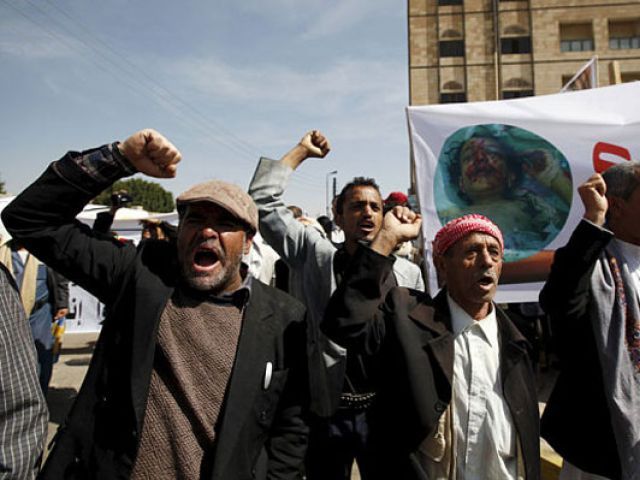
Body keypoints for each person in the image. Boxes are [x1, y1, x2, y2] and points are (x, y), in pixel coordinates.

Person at [2, 129, 312, 479]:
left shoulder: (283, 316)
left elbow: (291, 425)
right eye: (196, 218)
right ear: (180, 231)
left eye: (224, 222)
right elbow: (29, 220)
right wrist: (118, 159)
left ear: (247, 241)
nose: (208, 231)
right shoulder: (140, 275)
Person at [248, 130, 424, 480]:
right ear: (338, 216)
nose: (368, 213)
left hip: (385, 416)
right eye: (356, 206)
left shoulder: (408, 274)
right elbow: (263, 202)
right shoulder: (317, 256)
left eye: (376, 206)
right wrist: (301, 152)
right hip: (325, 412)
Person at [323, 212, 540, 479]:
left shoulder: (517, 342)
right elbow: (343, 323)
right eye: (472, 251)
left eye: (494, 252)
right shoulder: (407, 318)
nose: (487, 261)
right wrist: (386, 239)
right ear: (442, 265)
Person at [540, 168, 640, 480]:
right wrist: (593, 219)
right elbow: (560, 302)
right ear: (618, 206)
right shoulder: (588, 261)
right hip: (602, 447)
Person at [438, 125, 572, 261]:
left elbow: (575, 226)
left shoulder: (531, 204)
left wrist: (553, 177)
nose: (480, 158)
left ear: (511, 176)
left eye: (492, 153)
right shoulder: (451, 217)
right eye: (468, 157)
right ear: (461, 183)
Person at [0, 239, 69, 395]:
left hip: (41, 312)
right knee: (12, 356)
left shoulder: (44, 251)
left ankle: (40, 393)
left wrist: (62, 303)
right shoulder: (4, 252)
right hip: (10, 312)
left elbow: (60, 276)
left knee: (42, 354)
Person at [0, 260, 49, 479]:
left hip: (39, 313)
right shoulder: (5, 251)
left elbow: (19, 411)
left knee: (42, 364)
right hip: (24, 310)